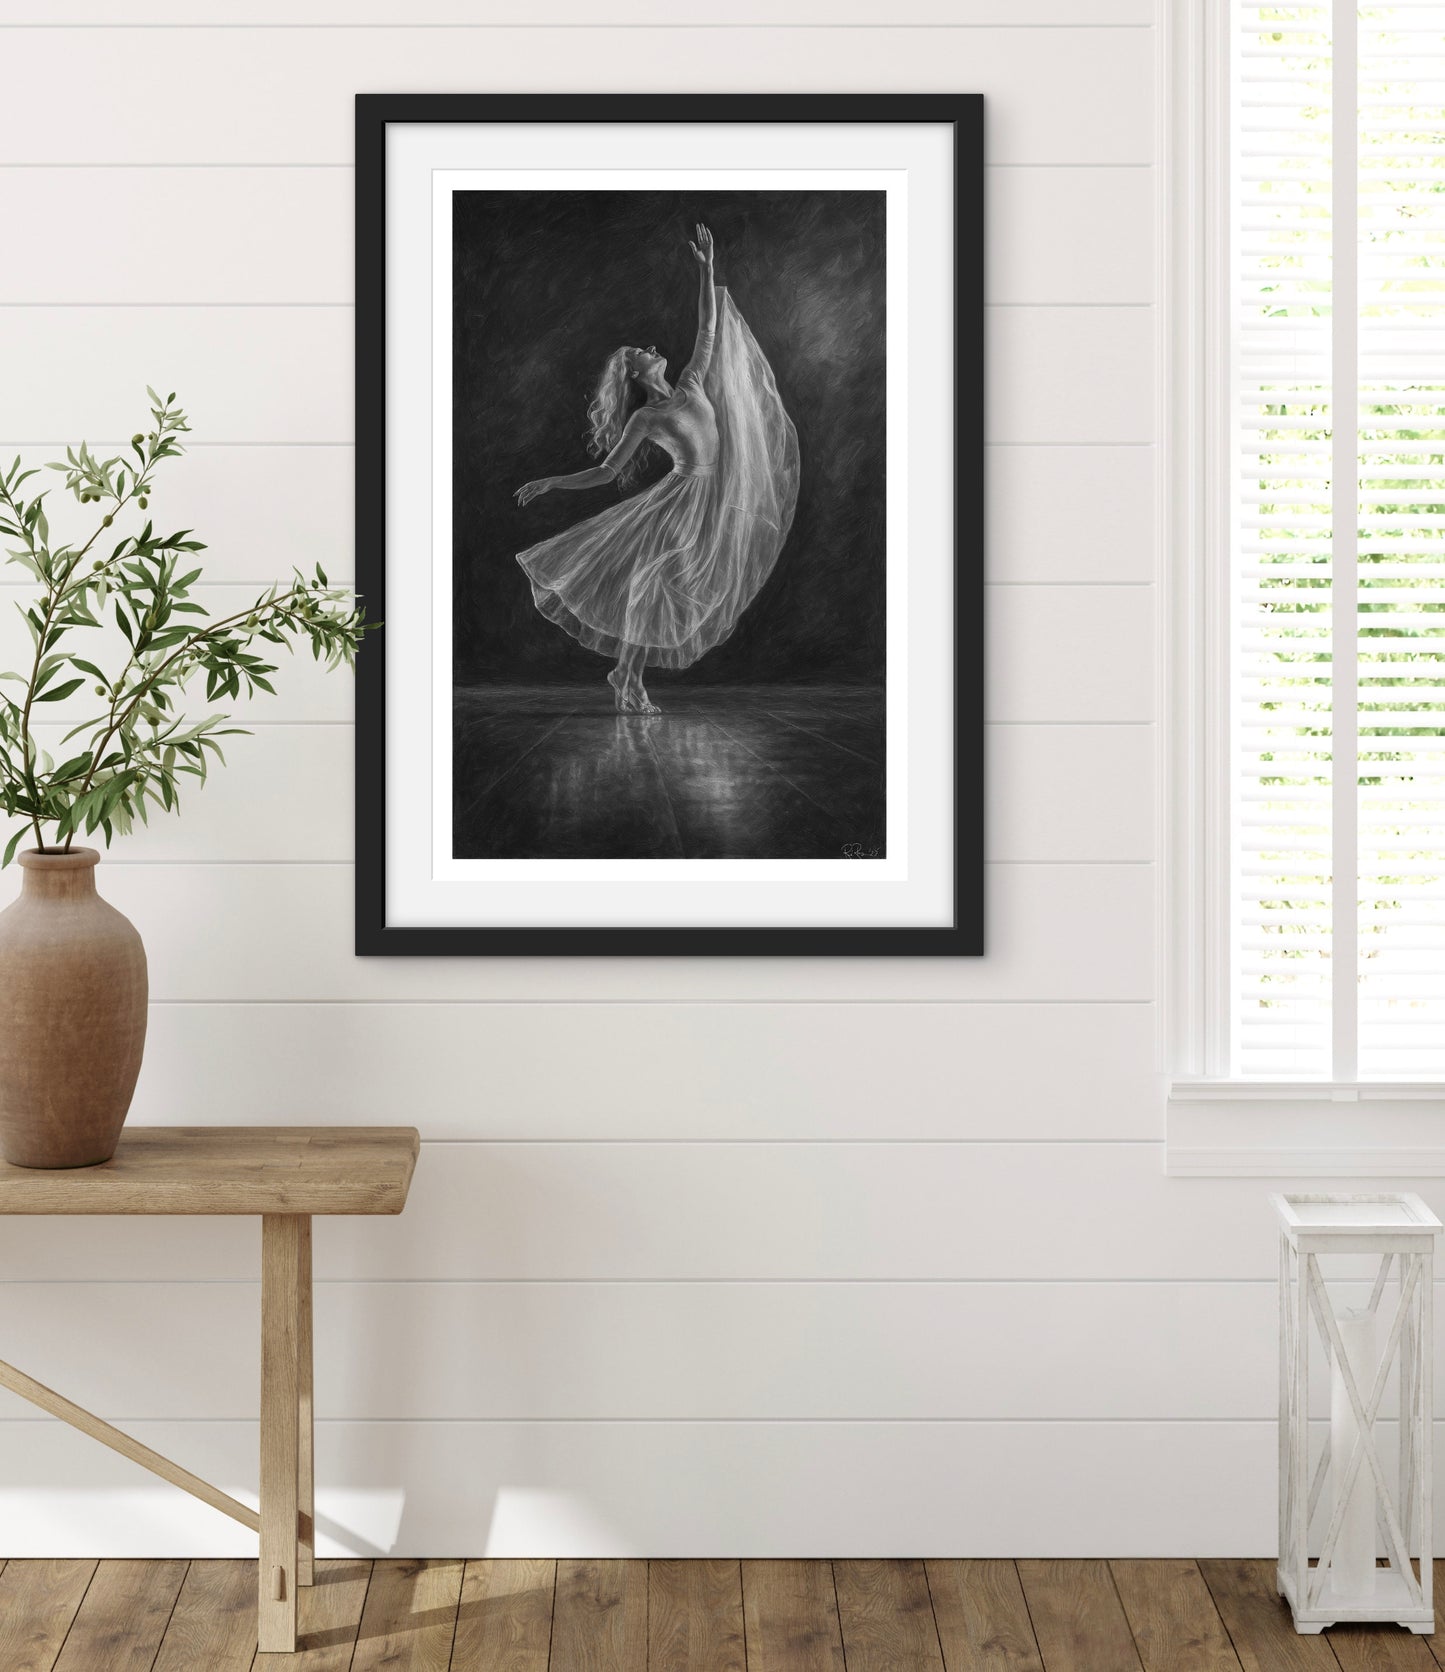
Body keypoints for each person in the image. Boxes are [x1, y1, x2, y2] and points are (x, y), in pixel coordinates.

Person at [515, 223, 800, 714]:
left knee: (668, 589)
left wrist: (708, 270)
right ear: (635, 371)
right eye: (643, 351)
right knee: (654, 586)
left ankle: (624, 674)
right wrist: (552, 482)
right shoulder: (647, 418)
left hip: (713, 496)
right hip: (680, 501)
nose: (652, 347)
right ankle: (628, 678)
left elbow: (708, 331)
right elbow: (607, 472)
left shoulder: (692, 382)